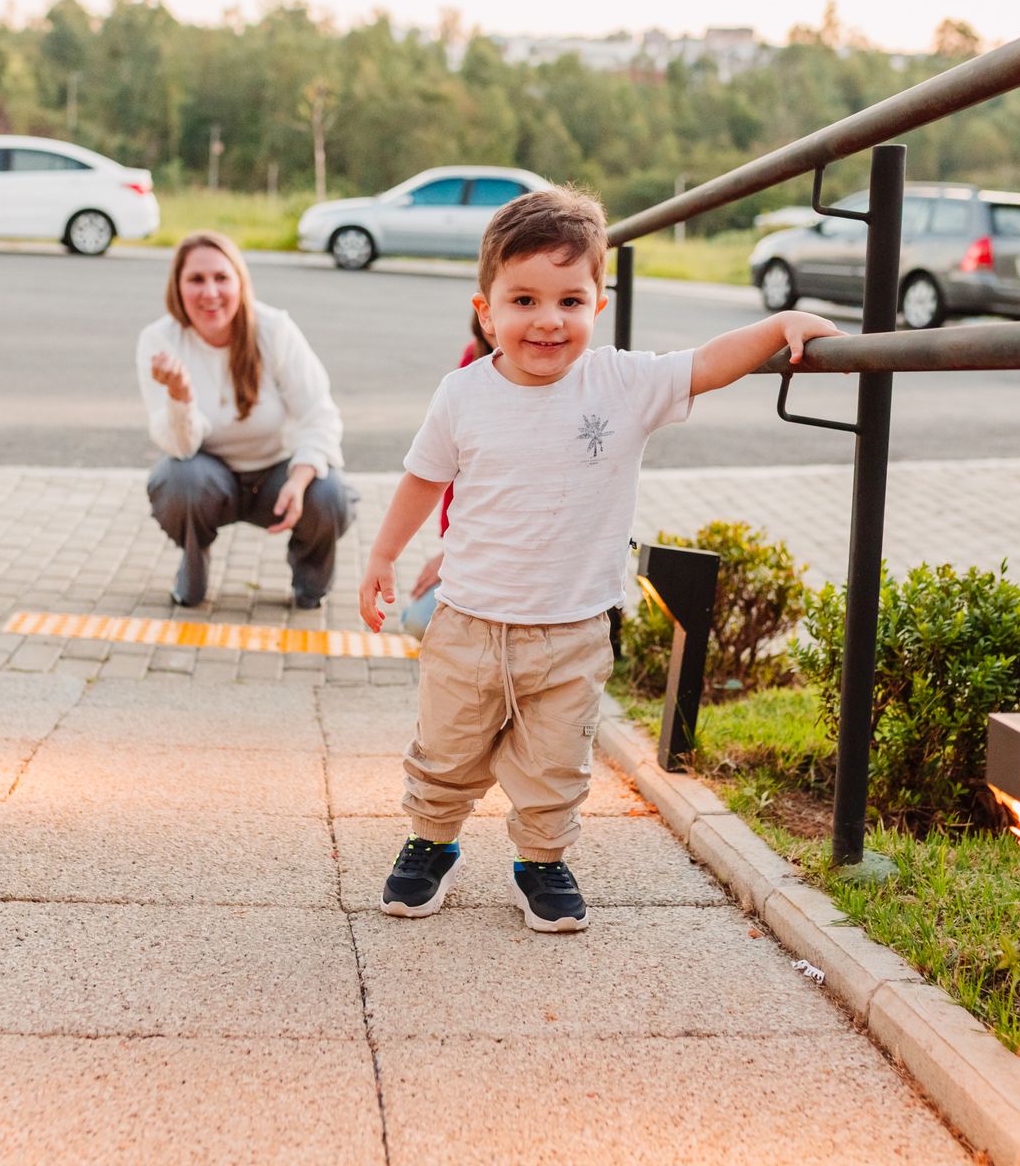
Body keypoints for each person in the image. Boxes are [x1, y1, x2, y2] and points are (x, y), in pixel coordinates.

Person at [357, 187, 842, 932]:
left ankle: (541, 861)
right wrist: (384, 554)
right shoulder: (462, 394)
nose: (548, 321)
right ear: (486, 310)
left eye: (569, 301)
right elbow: (425, 478)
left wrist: (779, 325)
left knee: (556, 765)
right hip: (469, 623)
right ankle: (431, 844)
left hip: (573, 629)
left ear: (598, 306)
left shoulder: (621, 383)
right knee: (446, 752)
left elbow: (707, 364)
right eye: (523, 300)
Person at [138, 231, 355, 609]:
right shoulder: (160, 340)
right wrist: (181, 397)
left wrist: (300, 478)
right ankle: (193, 571)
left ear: (241, 282)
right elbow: (179, 447)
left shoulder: (274, 330)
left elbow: (319, 413)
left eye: (221, 278)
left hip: (276, 473)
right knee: (177, 480)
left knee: (329, 493)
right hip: (209, 477)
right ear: (177, 286)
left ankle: (310, 584)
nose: (210, 292)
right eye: (196, 279)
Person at [395, 311, 493, 639]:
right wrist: (450, 552)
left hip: (514, 558)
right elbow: (442, 473)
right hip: (473, 545)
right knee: (418, 623)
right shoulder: (474, 361)